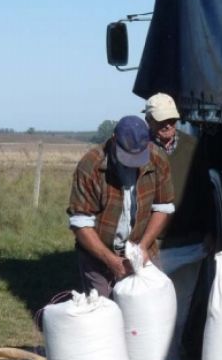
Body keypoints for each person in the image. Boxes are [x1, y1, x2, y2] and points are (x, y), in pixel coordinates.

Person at [143, 93, 215, 360]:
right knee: (152, 306)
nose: (168, 128)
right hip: (154, 242)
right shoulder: (140, 150)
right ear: (148, 121)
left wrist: (211, 231)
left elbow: (205, 191)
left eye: (172, 122)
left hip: (189, 240)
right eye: (162, 123)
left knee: (181, 306)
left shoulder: (192, 147)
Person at [67, 115, 175, 297]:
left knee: (153, 298)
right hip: (99, 254)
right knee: (104, 311)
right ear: (114, 140)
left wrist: (143, 247)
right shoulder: (90, 166)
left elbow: (162, 207)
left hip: (142, 247)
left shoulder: (157, 159)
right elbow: (81, 223)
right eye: (128, 156)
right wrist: (111, 261)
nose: (133, 162)